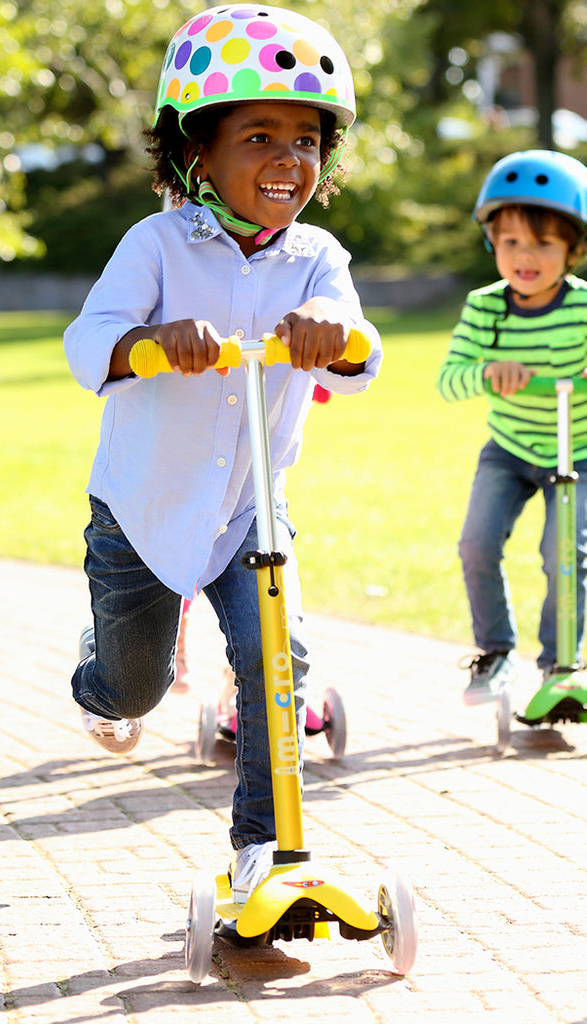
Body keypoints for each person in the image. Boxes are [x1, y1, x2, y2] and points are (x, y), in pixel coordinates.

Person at [64, 4, 381, 904]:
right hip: (142, 510)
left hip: (251, 508)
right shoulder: (156, 243)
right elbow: (89, 342)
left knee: (276, 663)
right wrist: (152, 340)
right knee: (133, 693)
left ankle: (262, 851)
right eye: (259, 135)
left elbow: (362, 356)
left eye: (307, 139)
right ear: (196, 152)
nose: (288, 158)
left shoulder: (318, 257)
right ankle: (102, 673)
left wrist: (337, 334)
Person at [436, 150, 587, 705]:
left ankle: (560, 668)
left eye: (544, 243)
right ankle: (496, 654)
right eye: (512, 242)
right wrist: (486, 371)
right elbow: (448, 381)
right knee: (476, 543)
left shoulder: (583, 310)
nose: (526, 256)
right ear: (492, 243)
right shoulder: (485, 309)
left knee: (563, 551)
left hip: (578, 452)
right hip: (509, 449)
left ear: (572, 249)